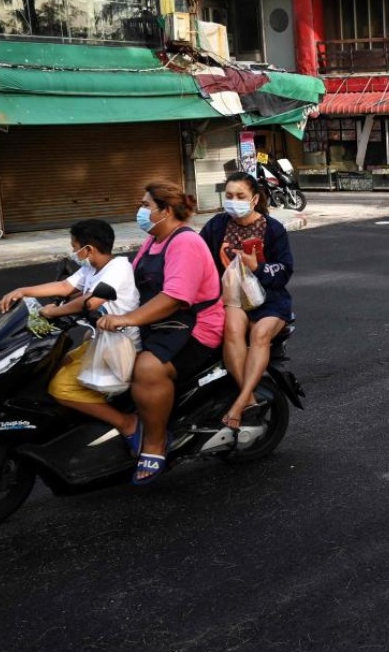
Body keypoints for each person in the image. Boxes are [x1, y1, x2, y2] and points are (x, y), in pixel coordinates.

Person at [97, 182, 225, 485]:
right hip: (162, 321)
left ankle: (156, 442)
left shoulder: (185, 242)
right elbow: (129, 279)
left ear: (165, 211)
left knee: (147, 369)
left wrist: (127, 319)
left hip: (196, 325)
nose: (140, 211)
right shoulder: (155, 240)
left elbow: (175, 298)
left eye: (146, 205)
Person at [0, 220, 142, 437]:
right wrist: (23, 291)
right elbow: (66, 287)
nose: (74, 252)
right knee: (53, 366)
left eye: (74, 247)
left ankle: (127, 423)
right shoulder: (92, 268)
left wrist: (54, 311)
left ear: (89, 249)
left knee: (61, 388)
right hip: (99, 340)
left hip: (119, 347)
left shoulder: (118, 269)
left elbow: (92, 301)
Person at [199, 172, 295, 430]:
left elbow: (285, 270)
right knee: (231, 332)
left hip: (269, 299)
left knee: (260, 335)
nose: (233, 201)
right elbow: (200, 260)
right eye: (229, 196)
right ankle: (250, 398)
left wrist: (258, 267)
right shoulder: (216, 226)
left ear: (254, 199)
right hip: (232, 297)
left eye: (240, 196)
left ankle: (239, 403)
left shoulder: (273, 229)